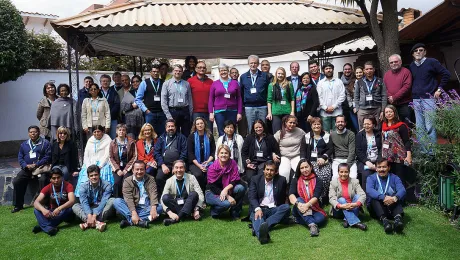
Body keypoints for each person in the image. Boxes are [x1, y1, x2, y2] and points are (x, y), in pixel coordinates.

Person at [409, 43, 451, 153]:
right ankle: (424, 152)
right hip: (416, 99)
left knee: (430, 126)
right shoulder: (412, 66)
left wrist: (439, 89)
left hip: (428, 99)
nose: (418, 52)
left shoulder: (432, 62)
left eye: (421, 50)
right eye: (416, 50)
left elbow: (446, 74)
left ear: (425, 52)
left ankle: (432, 152)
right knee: (420, 127)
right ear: (413, 54)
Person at [249, 161, 290, 244]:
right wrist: (257, 209)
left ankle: (260, 226)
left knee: (286, 207)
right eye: (267, 169)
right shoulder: (255, 179)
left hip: (274, 209)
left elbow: (285, 196)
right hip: (259, 208)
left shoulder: (281, 180)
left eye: (272, 170)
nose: (269, 172)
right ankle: (263, 236)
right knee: (258, 216)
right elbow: (252, 197)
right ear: (263, 170)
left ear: (276, 172)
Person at [12, 126, 52, 213]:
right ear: (28, 133)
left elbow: (47, 156)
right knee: (17, 180)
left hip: (41, 168)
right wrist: (25, 165)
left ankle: (44, 203)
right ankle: (18, 205)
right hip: (28, 169)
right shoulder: (24, 144)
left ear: (39, 133)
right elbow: (20, 157)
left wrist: (37, 164)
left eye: (35, 132)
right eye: (31, 132)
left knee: (43, 180)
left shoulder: (45, 143)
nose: (33, 134)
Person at [113, 161, 163, 228]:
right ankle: (139, 221)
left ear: (145, 170)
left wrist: (153, 208)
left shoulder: (150, 179)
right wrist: (133, 213)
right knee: (116, 201)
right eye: (137, 169)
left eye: (141, 169)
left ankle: (130, 221)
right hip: (133, 207)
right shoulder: (127, 181)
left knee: (159, 208)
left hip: (146, 207)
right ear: (133, 170)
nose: (139, 172)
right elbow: (128, 198)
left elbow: (153, 193)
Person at [206, 145, 247, 219]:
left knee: (240, 188)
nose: (223, 155)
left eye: (226, 153)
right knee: (227, 204)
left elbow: (235, 180)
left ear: (229, 155)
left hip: (226, 189)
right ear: (218, 154)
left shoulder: (233, 163)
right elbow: (212, 186)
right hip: (212, 192)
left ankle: (235, 212)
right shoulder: (212, 167)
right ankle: (214, 211)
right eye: (221, 153)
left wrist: (226, 189)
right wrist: (227, 196)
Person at [366, 159, 406, 234]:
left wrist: (394, 198)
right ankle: (385, 222)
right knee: (373, 198)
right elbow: (369, 190)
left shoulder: (395, 178)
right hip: (376, 210)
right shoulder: (371, 178)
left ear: (389, 167)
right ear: (376, 168)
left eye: (384, 167)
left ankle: (398, 221)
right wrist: (383, 197)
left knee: (396, 196)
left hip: (391, 207)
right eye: (379, 167)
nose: (381, 169)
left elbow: (402, 190)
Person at [289, 159, 327, 237]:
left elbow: (316, 197)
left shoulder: (318, 180)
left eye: (306, 167)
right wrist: (298, 204)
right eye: (302, 168)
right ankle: (312, 225)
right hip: (299, 206)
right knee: (299, 199)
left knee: (321, 220)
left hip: (314, 207)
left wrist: (307, 205)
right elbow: (291, 195)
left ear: (311, 167)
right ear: (299, 170)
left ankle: (296, 219)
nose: (304, 170)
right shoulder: (295, 180)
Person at [32, 167, 75, 236]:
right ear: (50, 179)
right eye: (54, 178)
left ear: (62, 177)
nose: (56, 180)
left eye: (58, 177)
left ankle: (43, 226)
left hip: (64, 211)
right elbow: (36, 202)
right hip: (52, 212)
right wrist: (43, 210)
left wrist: (59, 208)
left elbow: (72, 201)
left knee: (69, 210)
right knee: (36, 210)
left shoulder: (68, 185)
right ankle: (49, 228)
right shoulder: (47, 187)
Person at [72, 165, 115, 232]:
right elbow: (84, 202)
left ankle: (88, 223)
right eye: (91, 175)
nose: (94, 177)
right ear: (88, 177)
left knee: (112, 200)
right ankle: (97, 223)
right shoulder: (83, 186)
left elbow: (104, 201)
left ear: (99, 174)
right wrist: (89, 215)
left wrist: (94, 215)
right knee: (75, 206)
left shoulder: (107, 185)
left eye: (96, 175)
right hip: (89, 208)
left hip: (101, 208)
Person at [161, 160, 204, 226]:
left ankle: (177, 218)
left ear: (184, 169)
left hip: (189, 203)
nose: (179, 170)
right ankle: (187, 214)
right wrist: (169, 213)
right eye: (176, 167)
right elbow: (162, 199)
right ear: (173, 169)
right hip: (176, 204)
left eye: (181, 167)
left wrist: (197, 209)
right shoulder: (169, 181)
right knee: (165, 197)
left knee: (194, 194)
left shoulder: (191, 178)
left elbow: (200, 194)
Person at [300, 117, 333, 201]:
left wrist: (324, 157)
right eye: (314, 124)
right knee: (317, 176)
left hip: (324, 161)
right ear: (311, 126)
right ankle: (315, 197)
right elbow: (303, 150)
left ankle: (324, 197)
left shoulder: (326, 136)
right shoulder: (307, 136)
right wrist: (303, 161)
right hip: (311, 161)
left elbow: (330, 149)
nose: (316, 126)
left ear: (321, 125)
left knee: (325, 176)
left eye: (318, 124)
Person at [75, 125, 113, 197]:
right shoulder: (90, 140)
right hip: (90, 163)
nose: (96, 133)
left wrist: (100, 165)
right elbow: (86, 154)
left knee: (102, 173)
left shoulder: (108, 140)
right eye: (94, 132)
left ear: (103, 132)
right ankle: (85, 197)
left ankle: (100, 196)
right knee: (86, 174)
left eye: (98, 131)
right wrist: (89, 166)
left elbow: (107, 155)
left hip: (103, 163)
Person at [154, 119, 188, 196]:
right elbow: (156, 152)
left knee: (178, 177)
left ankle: (177, 197)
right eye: (168, 126)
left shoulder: (181, 138)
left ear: (175, 127)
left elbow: (184, 153)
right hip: (164, 165)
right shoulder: (161, 138)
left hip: (178, 165)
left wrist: (176, 166)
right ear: (166, 128)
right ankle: (163, 197)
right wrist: (162, 165)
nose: (170, 128)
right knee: (159, 178)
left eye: (172, 126)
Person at [329, 163, 367, 230]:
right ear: (338, 172)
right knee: (341, 199)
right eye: (341, 172)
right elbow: (331, 198)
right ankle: (356, 223)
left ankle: (346, 220)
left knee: (358, 196)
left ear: (349, 172)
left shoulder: (355, 181)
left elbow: (363, 195)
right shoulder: (333, 183)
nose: (343, 174)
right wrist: (341, 206)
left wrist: (356, 204)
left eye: (346, 172)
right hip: (339, 210)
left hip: (352, 207)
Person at [382, 105, 413, 186]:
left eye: (390, 112)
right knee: (389, 179)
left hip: (398, 157)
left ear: (394, 113)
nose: (389, 114)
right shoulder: (383, 126)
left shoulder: (401, 126)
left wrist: (409, 155)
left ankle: (401, 197)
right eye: (387, 112)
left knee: (399, 179)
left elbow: (406, 141)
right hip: (387, 157)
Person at [242, 120, 280, 184]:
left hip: (265, 163)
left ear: (263, 127)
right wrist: (247, 164)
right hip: (252, 162)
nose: (258, 129)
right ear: (253, 129)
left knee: (261, 177)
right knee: (250, 177)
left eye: (260, 127)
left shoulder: (270, 137)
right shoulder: (249, 138)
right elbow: (244, 153)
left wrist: (273, 154)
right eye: (256, 128)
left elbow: (276, 151)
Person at [240, 55, 271, 133]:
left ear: (258, 64)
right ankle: (252, 144)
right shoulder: (243, 77)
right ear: (248, 64)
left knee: (263, 128)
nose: (253, 65)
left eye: (255, 63)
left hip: (262, 106)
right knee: (251, 128)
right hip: (249, 107)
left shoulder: (264, 76)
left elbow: (268, 91)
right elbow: (241, 92)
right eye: (251, 63)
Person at [209, 64, 243, 136]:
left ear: (228, 71)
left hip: (232, 111)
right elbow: (211, 99)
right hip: (219, 112)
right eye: (221, 71)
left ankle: (233, 146)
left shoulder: (235, 83)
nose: (223, 72)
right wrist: (211, 113)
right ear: (219, 72)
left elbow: (239, 98)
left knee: (232, 131)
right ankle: (222, 147)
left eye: (225, 70)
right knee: (221, 132)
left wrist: (239, 112)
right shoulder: (214, 84)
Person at [161, 64, 193, 137]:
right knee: (174, 134)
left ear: (182, 72)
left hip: (185, 111)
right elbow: (163, 101)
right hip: (173, 112)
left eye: (179, 71)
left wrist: (190, 114)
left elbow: (190, 99)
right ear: (172, 71)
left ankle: (185, 148)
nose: (177, 72)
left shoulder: (186, 84)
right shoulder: (166, 84)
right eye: (176, 70)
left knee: (187, 134)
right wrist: (168, 116)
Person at [354, 61, 387, 130]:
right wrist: (357, 110)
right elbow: (356, 96)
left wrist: (382, 110)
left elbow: (384, 96)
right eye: (367, 69)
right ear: (364, 70)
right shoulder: (359, 82)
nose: (369, 71)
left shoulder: (380, 81)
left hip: (377, 109)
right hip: (363, 110)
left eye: (370, 69)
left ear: (374, 69)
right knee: (363, 130)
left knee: (377, 129)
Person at [136, 64, 167, 136]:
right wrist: (146, 110)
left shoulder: (163, 83)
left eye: (157, 71)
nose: (155, 73)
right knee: (149, 134)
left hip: (162, 113)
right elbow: (138, 99)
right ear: (150, 72)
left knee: (162, 134)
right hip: (150, 113)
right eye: (154, 71)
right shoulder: (144, 83)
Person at [273, 115, 305, 183]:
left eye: (294, 123)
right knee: (283, 173)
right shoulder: (279, 133)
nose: (292, 124)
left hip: (296, 155)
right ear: (285, 123)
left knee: (301, 170)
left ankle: (297, 188)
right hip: (284, 156)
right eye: (290, 122)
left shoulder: (300, 131)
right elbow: (271, 144)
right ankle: (284, 190)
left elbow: (309, 136)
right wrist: (273, 154)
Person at [188, 117, 216, 192]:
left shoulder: (210, 136)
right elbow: (190, 154)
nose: (200, 125)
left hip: (208, 162)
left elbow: (214, 151)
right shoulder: (191, 137)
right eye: (198, 124)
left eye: (201, 123)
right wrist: (200, 166)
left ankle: (210, 192)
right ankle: (201, 193)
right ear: (195, 126)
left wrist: (207, 162)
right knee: (199, 174)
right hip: (195, 163)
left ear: (204, 124)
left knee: (211, 172)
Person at [384, 54, 412, 126]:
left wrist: (394, 97)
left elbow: (407, 87)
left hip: (404, 104)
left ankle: (407, 137)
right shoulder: (387, 74)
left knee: (406, 125)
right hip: (392, 105)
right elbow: (384, 88)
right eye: (391, 62)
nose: (393, 63)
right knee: (394, 124)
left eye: (396, 61)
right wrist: (390, 97)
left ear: (400, 62)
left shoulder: (406, 72)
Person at [110, 124, 137, 198]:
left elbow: (135, 156)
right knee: (117, 182)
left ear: (126, 132)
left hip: (128, 167)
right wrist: (117, 170)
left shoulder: (131, 142)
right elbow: (110, 157)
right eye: (120, 130)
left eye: (123, 130)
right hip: (117, 168)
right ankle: (117, 201)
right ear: (116, 131)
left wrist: (126, 169)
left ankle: (127, 201)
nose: (121, 132)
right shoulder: (112, 143)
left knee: (126, 181)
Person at [317, 62, 346, 132]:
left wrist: (334, 106)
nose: (328, 70)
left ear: (333, 70)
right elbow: (318, 97)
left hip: (337, 112)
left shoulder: (339, 82)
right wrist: (325, 108)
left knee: (337, 132)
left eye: (330, 68)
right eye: (326, 69)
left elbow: (342, 95)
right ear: (323, 71)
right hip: (324, 113)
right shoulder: (320, 83)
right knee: (325, 133)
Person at [355, 117, 382, 192]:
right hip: (364, 162)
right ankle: (367, 198)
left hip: (378, 161)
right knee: (367, 175)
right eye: (365, 124)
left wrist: (378, 162)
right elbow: (358, 151)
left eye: (368, 124)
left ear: (373, 125)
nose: (366, 126)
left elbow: (381, 149)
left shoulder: (379, 134)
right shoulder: (359, 135)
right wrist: (367, 162)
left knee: (382, 172)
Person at [267, 67, 295, 134]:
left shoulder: (289, 84)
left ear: (284, 75)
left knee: (288, 132)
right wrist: (269, 112)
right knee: (277, 132)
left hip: (287, 111)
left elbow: (292, 98)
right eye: (279, 73)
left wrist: (292, 111)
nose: (280, 75)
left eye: (282, 74)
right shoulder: (271, 85)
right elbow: (269, 100)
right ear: (276, 74)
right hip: (276, 112)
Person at [330, 115, 357, 179]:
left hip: (349, 159)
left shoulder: (351, 134)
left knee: (352, 177)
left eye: (342, 121)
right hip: (337, 160)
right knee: (335, 177)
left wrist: (347, 166)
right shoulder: (332, 135)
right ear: (335, 123)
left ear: (345, 123)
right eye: (338, 122)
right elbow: (330, 150)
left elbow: (352, 152)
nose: (340, 123)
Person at [188, 61, 213, 128]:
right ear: (196, 69)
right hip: (195, 112)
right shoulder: (190, 81)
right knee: (196, 132)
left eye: (204, 68)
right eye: (200, 67)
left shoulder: (211, 82)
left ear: (206, 70)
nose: (202, 69)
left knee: (209, 132)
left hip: (208, 112)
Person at [100, 74, 120, 138]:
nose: (105, 82)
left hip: (112, 118)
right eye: (103, 81)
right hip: (100, 119)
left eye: (107, 81)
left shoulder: (114, 92)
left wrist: (108, 115)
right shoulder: (97, 92)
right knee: (101, 137)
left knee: (113, 137)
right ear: (100, 82)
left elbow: (117, 105)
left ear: (110, 82)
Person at [341, 63, 358, 133]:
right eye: (345, 69)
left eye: (349, 69)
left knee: (356, 127)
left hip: (354, 108)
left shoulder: (356, 80)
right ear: (343, 71)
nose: (347, 71)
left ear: (352, 70)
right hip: (344, 108)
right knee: (346, 129)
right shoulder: (340, 81)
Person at [232, 67, 248, 138]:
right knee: (232, 128)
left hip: (242, 108)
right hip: (232, 109)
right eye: (232, 73)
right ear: (229, 74)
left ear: (238, 75)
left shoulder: (241, 84)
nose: (234, 74)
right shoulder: (227, 84)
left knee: (243, 129)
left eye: (236, 73)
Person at [78, 76, 94, 148]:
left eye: (90, 81)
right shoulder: (80, 92)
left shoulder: (95, 90)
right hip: (83, 117)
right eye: (86, 82)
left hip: (93, 117)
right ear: (84, 83)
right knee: (84, 136)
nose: (88, 83)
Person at [345, 66, 362, 132]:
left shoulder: (366, 82)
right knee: (356, 127)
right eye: (357, 73)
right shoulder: (351, 83)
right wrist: (352, 107)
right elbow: (348, 96)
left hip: (363, 108)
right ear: (354, 73)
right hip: (353, 109)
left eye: (360, 72)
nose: (358, 74)